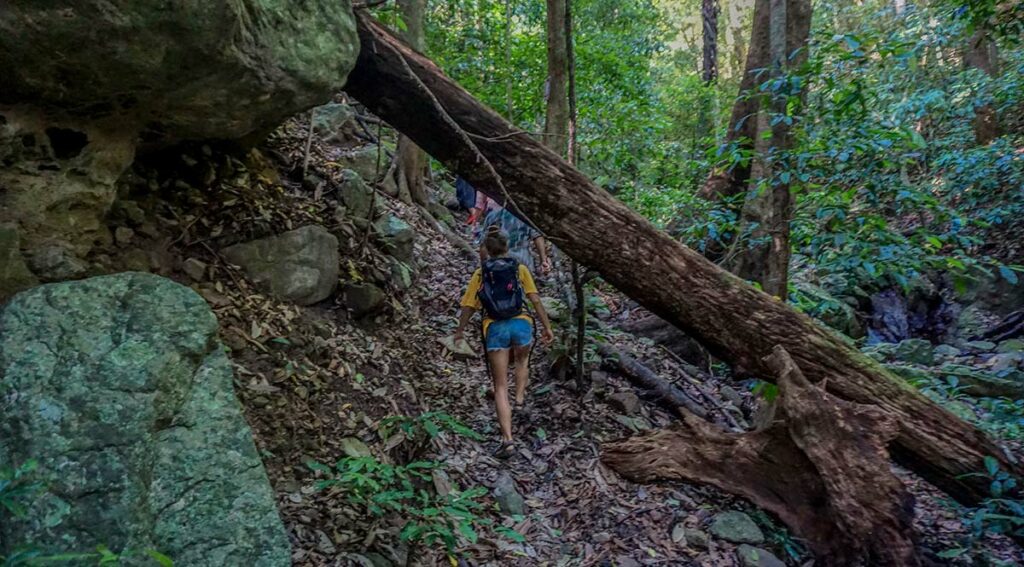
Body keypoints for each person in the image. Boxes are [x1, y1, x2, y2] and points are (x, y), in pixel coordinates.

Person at [454, 226, 555, 458]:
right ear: (507, 248)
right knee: (522, 362)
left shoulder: (481, 274)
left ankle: (508, 440)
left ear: (487, 251)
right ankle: (519, 399)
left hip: (496, 327)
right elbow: (535, 299)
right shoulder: (519, 269)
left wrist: (459, 331)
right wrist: (547, 326)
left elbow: (469, 305)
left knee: (500, 386)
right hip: (521, 324)